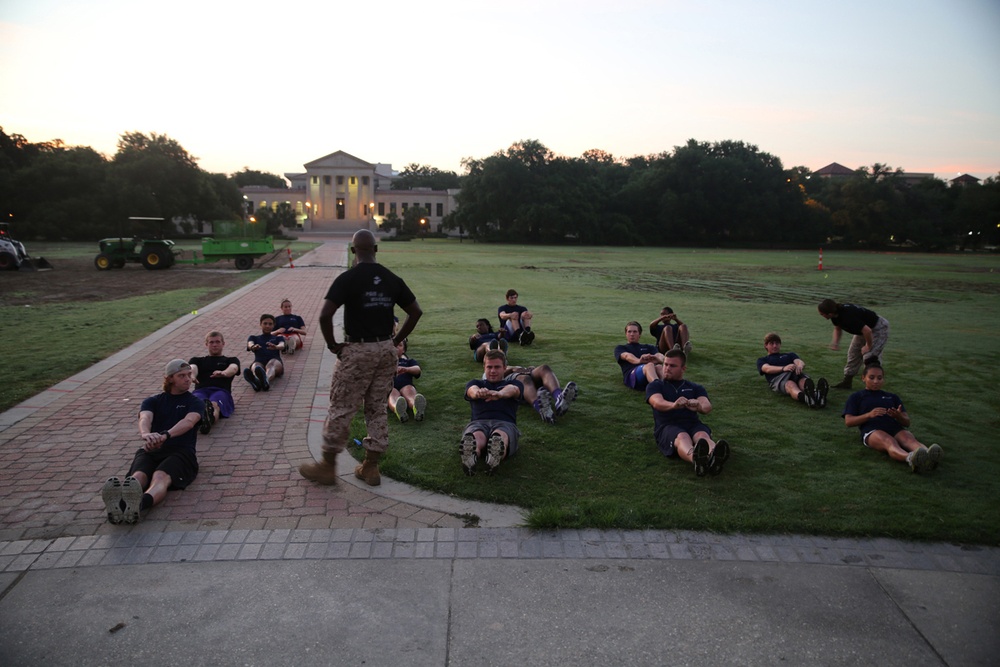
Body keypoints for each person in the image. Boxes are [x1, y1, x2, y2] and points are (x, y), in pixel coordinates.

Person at [299, 229, 422, 487]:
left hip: (358, 350)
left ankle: (328, 466)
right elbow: (415, 311)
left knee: (342, 406)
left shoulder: (348, 279)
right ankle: (371, 466)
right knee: (377, 407)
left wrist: (334, 346)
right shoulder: (391, 278)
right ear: (376, 250)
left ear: (353, 251)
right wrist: (396, 342)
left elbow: (324, 316)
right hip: (386, 351)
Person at [101, 359, 204, 524]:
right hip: (151, 449)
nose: (187, 379)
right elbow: (145, 418)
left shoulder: (195, 402)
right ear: (170, 378)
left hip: (181, 451)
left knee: (160, 476)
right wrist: (146, 435)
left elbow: (189, 422)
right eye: (182, 375)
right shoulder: (152, 401)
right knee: (138, 477)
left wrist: (165, 435)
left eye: (189, 375)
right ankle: (120, 505)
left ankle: (138, 506)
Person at [842, 359, 942, 473]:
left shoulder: (892, 397)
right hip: (872, 430)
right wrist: (869, 415)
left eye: (879, 378)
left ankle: (928, 455)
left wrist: (898, 416)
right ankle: (910, 458)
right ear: (863, 378)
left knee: (908, 439)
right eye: (871, 377)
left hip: (894, 427)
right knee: (889, 441)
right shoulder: (856, 397)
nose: (876, 381)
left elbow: (907, 423)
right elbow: (848, 421)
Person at [646, 349, 731, 477]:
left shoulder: (695, 387)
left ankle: (714, 456)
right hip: (667, 426)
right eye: (666, 364)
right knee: (682, 436)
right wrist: (674, 405)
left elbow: (707, 406)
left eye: (672, 365)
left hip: (692, 424)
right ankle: (696, 459)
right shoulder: (656, 385)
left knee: (702, 435)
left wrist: (698, 406)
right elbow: (657, 403)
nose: (667, 368)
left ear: (683, 368)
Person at [461, 349, 523, 475]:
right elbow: (471, 390)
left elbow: (514, 389)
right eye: (489, 367)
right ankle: (472, 454)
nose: (493, 371)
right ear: (484, 367)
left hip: (505, 423)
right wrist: (478, 393)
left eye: (497, 367)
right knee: (476, 436)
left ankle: (495, 454)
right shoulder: (476, 383)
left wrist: (500, 394)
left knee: (500, 435)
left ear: (505, 368)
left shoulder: (512, 383)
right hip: (479, 422)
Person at [818, 298, 890, 389]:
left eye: (822, 314)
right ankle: (847, 382)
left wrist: (868, 346)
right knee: (853, 353)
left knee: (870, 357)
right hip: (862, 330)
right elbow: (838, 328)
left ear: (829, 313)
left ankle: (872, 387)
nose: (821, 315)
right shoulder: (835, 316)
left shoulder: (848, 316)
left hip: (878, 328)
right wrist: (835, 343)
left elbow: (867, 331)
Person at [756, 332, 828, 408]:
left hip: (795, 374)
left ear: (780, 344)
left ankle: (816, 395)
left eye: (777, 343)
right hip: (779, 379)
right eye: (771, 343)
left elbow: (799, 362)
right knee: (790, 384)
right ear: (766, 345)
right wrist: (784, 368)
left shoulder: (789, 355)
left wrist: (799, 366)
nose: (775, 346)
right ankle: (807, 398)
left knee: (804, 381)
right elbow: (767, 369)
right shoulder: (762, 359)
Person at [189, 330, 241, 434]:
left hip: (221, 391)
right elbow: (192, 368)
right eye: (211, 342)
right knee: (198, 403)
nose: (214, 345)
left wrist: (223, 373)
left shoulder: (231, 360)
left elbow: (233, 369)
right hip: (201, 390)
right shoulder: (197, 360)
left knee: (214, 404)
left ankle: (208, 420)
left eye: (217, 342)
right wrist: (192, 376)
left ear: (223, 344)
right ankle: (200, 420)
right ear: (206, 344)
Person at [503, 364, 577, 424]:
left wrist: (529, 369)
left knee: (544, 368)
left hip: (524, 372)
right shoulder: (494, 363)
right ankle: (541, 408)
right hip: (513, 379)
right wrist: (511, 369)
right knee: (524, 378)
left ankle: (559, 398)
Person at [615, 321, 664, 391]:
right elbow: (627, 356)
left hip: (649, 373)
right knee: (649, 365)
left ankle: (667, 386)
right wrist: (639, 360)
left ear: (639, 334)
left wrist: (659, 359)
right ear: (626, 334)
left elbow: (659, 355)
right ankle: (656, 388)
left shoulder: (649, 347)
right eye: (629, 332)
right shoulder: (621, 348)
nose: (632, 334)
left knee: (659, 367)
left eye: (635, 332)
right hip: (632, 376)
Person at [243, 314, 287, 392]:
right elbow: (250, 344)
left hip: (275, 361)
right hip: (259, 361)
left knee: (271, 364)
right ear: (261, 324)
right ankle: (257, 380)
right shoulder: (254, 337)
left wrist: (276, 347)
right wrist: (253, 346)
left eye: (270, 324)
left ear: (273, 325)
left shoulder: (278, 338)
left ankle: (265, 380)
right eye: (265, 323)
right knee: (256, 366)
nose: (267, 326)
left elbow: (282, 345)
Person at [389, 339, 427, 423]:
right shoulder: (385, 362)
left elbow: (417, 369)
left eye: (399, 345)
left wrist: (406, 369)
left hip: (406, 384)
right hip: (391, 385)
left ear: (404, 350)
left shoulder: (408, 361)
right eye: (393, 346)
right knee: (392, 396)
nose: (396, 348)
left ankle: (416, 408)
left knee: (410, 394)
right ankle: (398, 409)